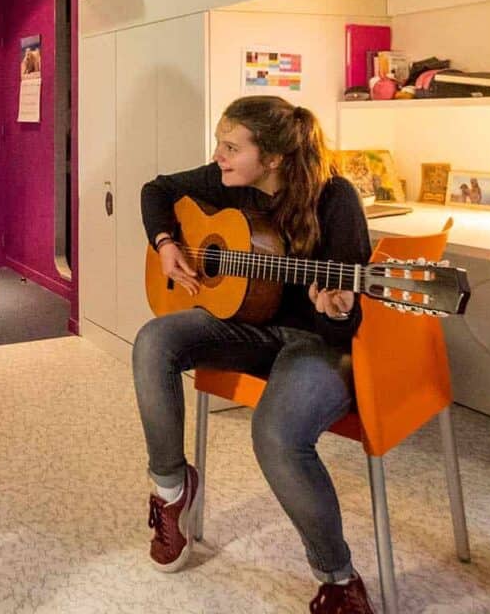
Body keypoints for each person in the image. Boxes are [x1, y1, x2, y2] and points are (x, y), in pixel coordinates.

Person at [132, 95, 376, 613]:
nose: (218, 156)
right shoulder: (226, 181)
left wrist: (334, 307)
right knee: (154, 340)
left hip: (315, 341)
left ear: (273, 158)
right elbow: (156, 190)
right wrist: (166, 244)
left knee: (277, 436)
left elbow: (348, 318)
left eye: (230, 147)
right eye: (219, 144)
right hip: (247, 325)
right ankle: (171, 490)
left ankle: (339, 579)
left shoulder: (336, 199)